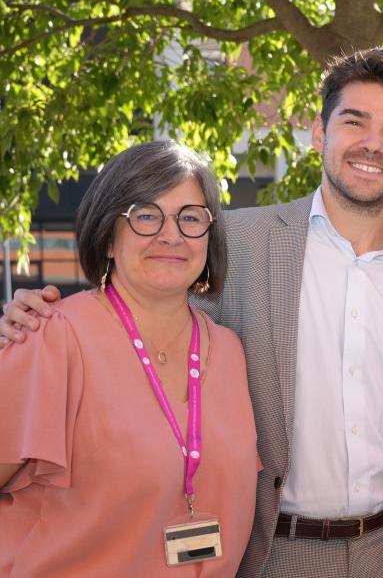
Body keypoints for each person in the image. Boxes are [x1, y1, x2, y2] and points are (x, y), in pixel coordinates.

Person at [1, 47, 383, 578]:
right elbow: (139, 299)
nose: (372, 143)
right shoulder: (239, 241)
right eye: (354, 121)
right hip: (272, 553)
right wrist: (33, 326)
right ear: (319, 132)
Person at [0, 140, 260, 576]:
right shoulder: (50, 338)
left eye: (190, 217)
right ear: (107, 237)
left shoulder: (229, 352)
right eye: (145, 215)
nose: (171, 235)